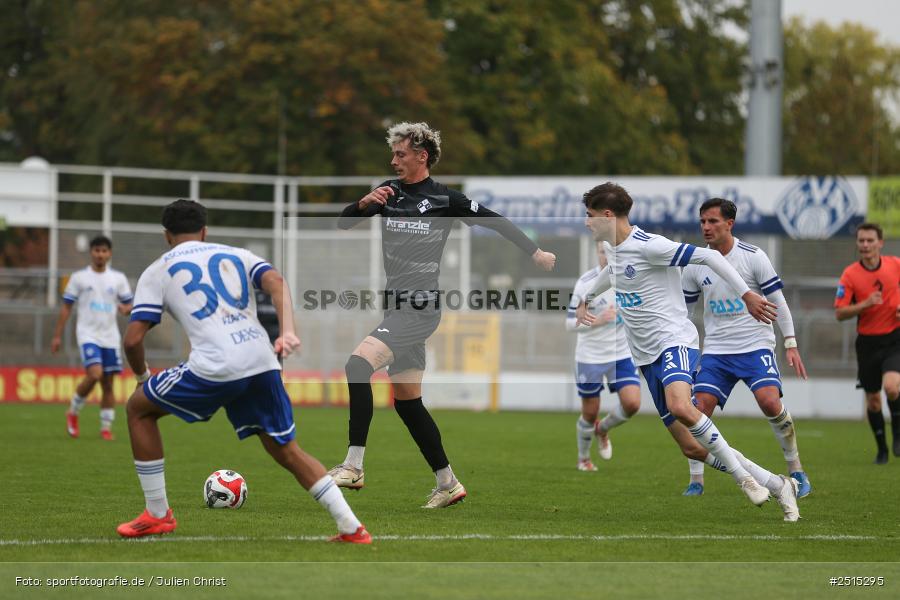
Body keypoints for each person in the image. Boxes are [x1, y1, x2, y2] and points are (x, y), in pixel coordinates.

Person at [330, 121, 556, 507]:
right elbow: (344, 222)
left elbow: (494, 219)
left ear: (422, 155)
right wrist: (364, 204)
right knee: (407, 402)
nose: (394, 160)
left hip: (420, 306)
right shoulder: (389, 192)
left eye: (400, 154)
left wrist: (533, 252)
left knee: (357, 366)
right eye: (394, 154)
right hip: (396, 305)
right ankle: (448, 483)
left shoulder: (444, 199)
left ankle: (353, 466)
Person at [117, 199, 370, 543]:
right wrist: (287, 331)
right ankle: (352, 528)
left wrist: (144, 380)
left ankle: (158, 515)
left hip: (217, 364)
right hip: (262, 359)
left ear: (167, 236)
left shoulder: (157, 270)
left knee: (137, 409)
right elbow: (277, 281)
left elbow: (132, 341)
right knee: (286, 450)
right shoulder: (236, 254)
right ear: (204, 231)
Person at [573, 182, 800, 522]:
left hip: (674, 342)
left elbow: (708, 256)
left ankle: (745, 479)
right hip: (646, 357)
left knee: (682, 405)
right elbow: (612, 273)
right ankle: (777, 483)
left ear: (607, 216)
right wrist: (586, 298)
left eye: (590, 217)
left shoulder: (651, 246)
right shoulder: (616, 249)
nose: (587, 223)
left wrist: (746, 294)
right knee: (691, 446)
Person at [682, 198, 811, 497]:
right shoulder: (695, 262)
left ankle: (797, 471)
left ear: (730, 223)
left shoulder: (753, 256)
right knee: (697, 410)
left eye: (712, 221)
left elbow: (778, 301)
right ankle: (696, 480)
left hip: (755, 346)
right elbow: (684, 312)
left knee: (769, 402)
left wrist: (790, 343)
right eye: (702, 221)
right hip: (716, 351)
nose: (706, 227)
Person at [566, 243, 640, 471]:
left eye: (611, 252)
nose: (606, 257)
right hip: (591, 356)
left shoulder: (630, 277)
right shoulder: (586, 283)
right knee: (590, 412)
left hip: (622, 354)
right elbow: (570, 324)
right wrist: (598, 320)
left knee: (632, 403)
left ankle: (603, 429)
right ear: (596, 253)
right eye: (602, 252)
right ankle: (584, 458)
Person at [51, 235, 133, 440]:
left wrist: (126, 309)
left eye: (104, 251)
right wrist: (57, 336)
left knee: (108, 383)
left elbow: (130, 306)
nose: (100, 254)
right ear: (91, 252)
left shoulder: (119, 279)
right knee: (95, 373)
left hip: (110, 336)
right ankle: (73, 412)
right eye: (97, 250)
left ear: (110, 253)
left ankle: (105, 428)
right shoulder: (79, 278)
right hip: (88, 334)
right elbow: (66, 307)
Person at [834, 222, 900, 464]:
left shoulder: (895, 265)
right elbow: (839, 313)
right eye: (861, 240)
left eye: (870, 240)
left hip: (894, 337)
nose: (865, 245)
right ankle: (882, 449)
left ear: (880, 243)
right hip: (868, 343)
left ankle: (897, 433)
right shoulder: (850, 274)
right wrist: (865, 304)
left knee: (892, 387)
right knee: (873, 400)